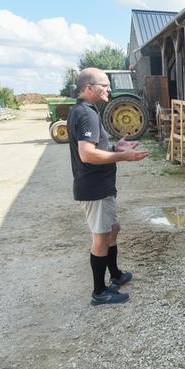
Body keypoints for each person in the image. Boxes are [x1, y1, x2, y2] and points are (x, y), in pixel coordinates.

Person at [68, 67, 149, 306]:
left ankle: (115, 275)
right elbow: (87, 155)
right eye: (104, 85)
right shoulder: (86, 114)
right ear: (89, 88)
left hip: (101, 186)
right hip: (94, 189)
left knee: (113, 230)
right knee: (101, 238)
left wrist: (115, 148)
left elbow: (95, 150)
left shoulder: (84, 111)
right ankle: (99, 292)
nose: (109, 89)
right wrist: (123, 157)